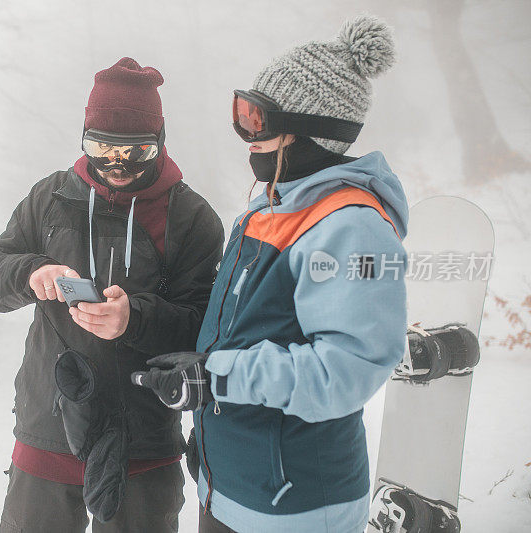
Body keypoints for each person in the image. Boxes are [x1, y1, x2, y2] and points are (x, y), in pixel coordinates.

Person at [133, 16, 409, 533]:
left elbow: (345, 371)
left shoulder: (351, 228)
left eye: (259, 120)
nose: (246, 136)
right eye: (243, 115)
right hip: (232, 485)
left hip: (296, 505)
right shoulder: (267, 208)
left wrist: (215, 378)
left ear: (314, 131)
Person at [0, 57, 224, 532]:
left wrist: (137, 320)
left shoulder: (190, 218)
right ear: (84, 139)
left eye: (135, 152)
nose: (117, 165)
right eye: (103, 148)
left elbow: (207, 326)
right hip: (49, 425)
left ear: (160, 142)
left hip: (144, 436)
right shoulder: (50, 199)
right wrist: (30, 271)